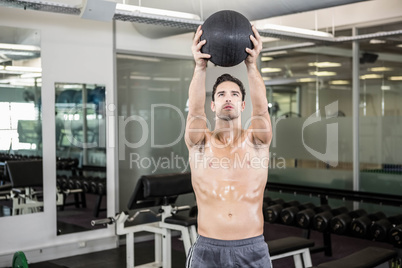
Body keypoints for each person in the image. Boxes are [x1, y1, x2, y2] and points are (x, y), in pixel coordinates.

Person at [185, 25, 273, 268]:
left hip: (252, 249)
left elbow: (262, 110)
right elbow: (194, 111)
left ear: (242, 105)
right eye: (221, 94)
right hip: (207, 250)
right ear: (212, 105)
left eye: (234, 94)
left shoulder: (257, 142)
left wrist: (252, 66)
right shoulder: (200, 144)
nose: (228, 98)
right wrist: (200, 67)